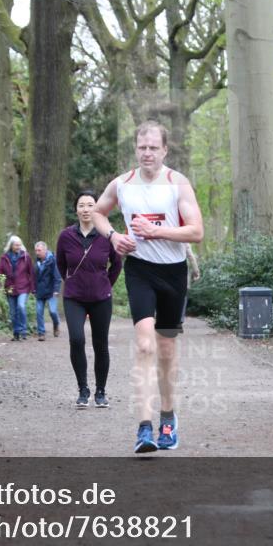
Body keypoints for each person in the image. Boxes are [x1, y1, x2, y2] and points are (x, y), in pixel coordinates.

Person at [91, 121, 204, 452]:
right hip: (140, 271)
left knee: (166, 350)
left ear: (165, 150)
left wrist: (158, 232)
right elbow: (98, 213)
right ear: (136, 150)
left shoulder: (177, 184)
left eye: (154, 147)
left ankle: (167, 418)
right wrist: (113, 236)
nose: (147, 153)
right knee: (144, 346)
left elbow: (196, 231)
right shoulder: (122, 184)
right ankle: (143, 428)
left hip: (173, 273)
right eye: (142, 147)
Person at [56, 191, 123, 409]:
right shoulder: (66, 236)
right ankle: (83, 390)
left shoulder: (106, 236)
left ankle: (101, 392)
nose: (86, 209)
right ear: (76, 209)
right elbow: (60, 264)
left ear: (97, 209)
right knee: (76, 340)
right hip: (74, 297)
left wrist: (105, 283)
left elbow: (117, 264)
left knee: (100, 344)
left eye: (90, 205)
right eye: (82, 205)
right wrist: (72, 281)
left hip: (101, 298)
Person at [0, 236, 36, 341]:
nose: (18, 247)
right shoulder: (4, 257)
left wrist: (33, 288)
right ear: (11, 245)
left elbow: (31, 273)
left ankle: (23, 331)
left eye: (19, 244)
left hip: (23, 287)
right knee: (13, 312)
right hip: (10, 288)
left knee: (21, 306)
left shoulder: (26, 256)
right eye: (16, 245)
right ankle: (16, 332)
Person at [33, 241, 62, 341]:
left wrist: (56, 290)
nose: (37, 252)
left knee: (53, 311)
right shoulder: (36, 261)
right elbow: (34, 277)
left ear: (45, 250)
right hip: (40, 291)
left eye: (39, 250)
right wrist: (33, 289)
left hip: (51, 291)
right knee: (38, 312)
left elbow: (57, 276)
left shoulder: (53, 260)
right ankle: (41, 333)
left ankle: (56, 323)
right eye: (36, 250)